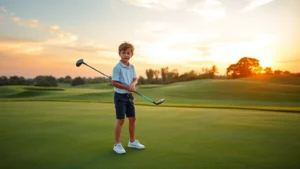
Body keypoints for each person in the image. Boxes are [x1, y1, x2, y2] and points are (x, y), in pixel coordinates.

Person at [111, 42, 145, 154]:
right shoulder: (117, 67)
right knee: (121, 120)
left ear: (132, 54)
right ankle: (117, 144)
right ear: (119, 54)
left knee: (132, 119)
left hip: (129, 96)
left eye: (128, 53)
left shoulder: (132, 67)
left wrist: (133, 84)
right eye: (124, 53)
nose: (126, 55)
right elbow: (114, 82)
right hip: (120, 97)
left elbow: (135, 78)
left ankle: (132, 141)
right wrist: (127, 86)